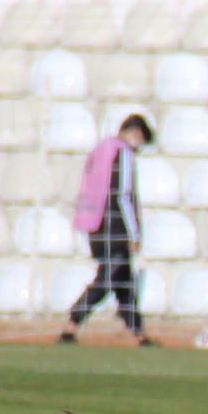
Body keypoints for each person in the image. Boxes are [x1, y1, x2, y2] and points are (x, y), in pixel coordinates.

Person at [61, 112, 157, 346]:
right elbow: (123, 194)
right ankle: (71, 324)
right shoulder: (122, 152)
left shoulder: (101, 148)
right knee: (108, 279)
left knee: (123, 281)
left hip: (95, 223)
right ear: (135, 133)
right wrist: (134, 232)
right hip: (114, 226)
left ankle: (139, 334)